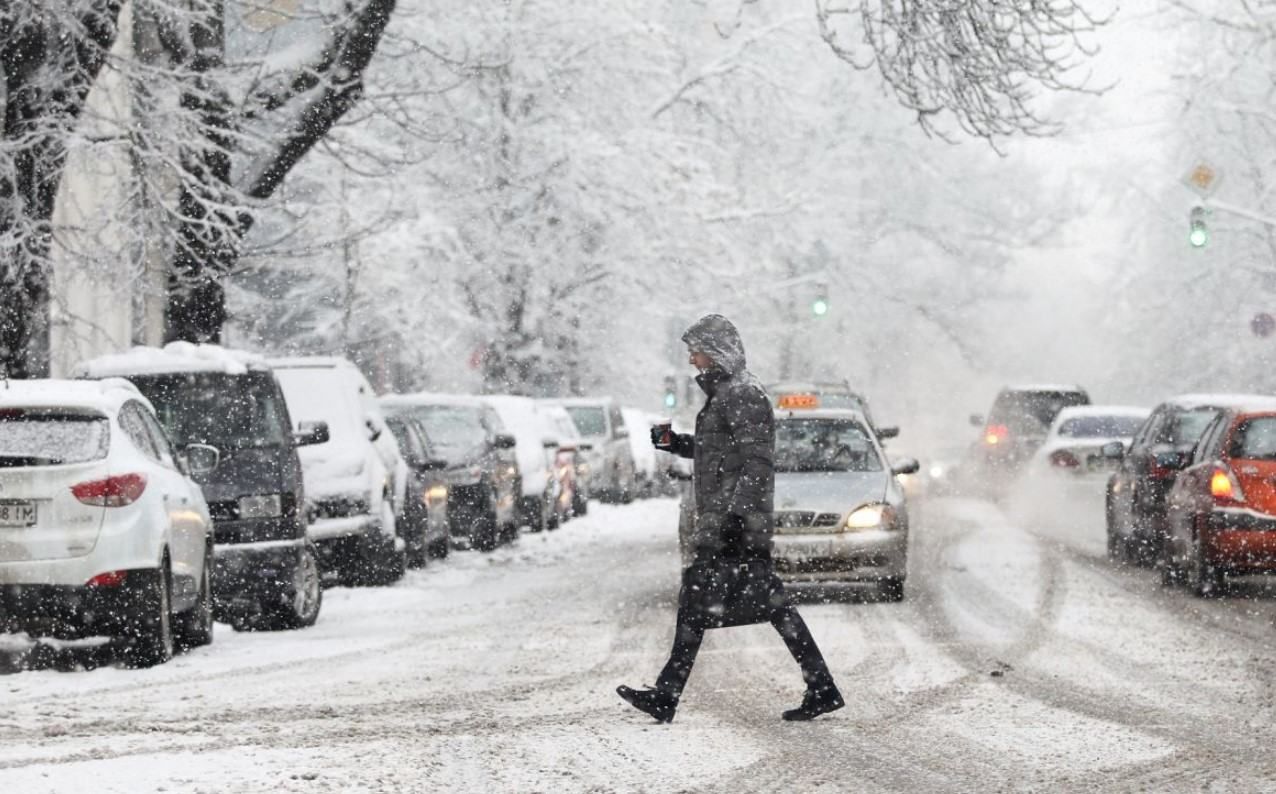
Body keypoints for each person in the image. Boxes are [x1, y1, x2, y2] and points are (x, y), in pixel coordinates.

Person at [617, 314, 843, 723]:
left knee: (718, 600)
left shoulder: (743, 394)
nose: (691, 359)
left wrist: (738, 519)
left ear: (717, 350)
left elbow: (758, 462)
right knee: (744, 603)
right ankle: (821, 687)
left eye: (695, 350)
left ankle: (669, 695)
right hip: (726, 518)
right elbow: (722, 454)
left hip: (734, 522)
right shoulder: (725, 394)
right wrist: (676, 443)